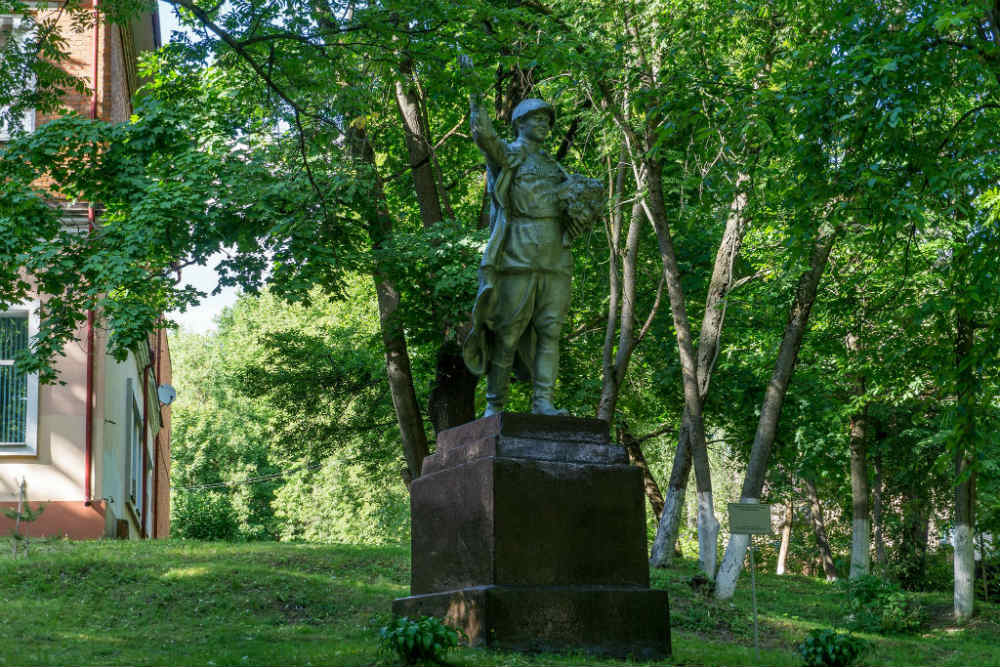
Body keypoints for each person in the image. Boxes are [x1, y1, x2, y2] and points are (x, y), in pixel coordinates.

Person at [462, 96, 601, 417]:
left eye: (547, 121)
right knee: (508, 332)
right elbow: (484, 135)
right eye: (536, 119)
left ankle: (543, 403)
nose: (544, 125)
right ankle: (494, 406)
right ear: (519, 124)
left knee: (550, 331)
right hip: (518, 253)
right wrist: (474, 96)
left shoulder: (554, 166)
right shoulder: (508, 156)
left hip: (556, 256)